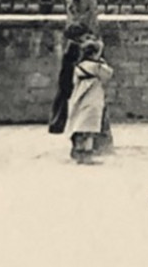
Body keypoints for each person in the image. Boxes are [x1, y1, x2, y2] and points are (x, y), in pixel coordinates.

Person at [63, 34, 114, 164]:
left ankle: (78, 151)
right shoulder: (97, 67)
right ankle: (87, 154)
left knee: (79, 127)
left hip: (79, 100)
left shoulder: (79, 67)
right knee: (89, 130)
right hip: (92, 101)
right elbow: (108, 74)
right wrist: (102, 61)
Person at [48, 21, 88, 135]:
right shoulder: (74, 46)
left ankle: (57, 124)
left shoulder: (70, 45)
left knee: (62, 99)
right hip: (69, 75)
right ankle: (57, 124)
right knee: (64, 99)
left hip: (66, 74)